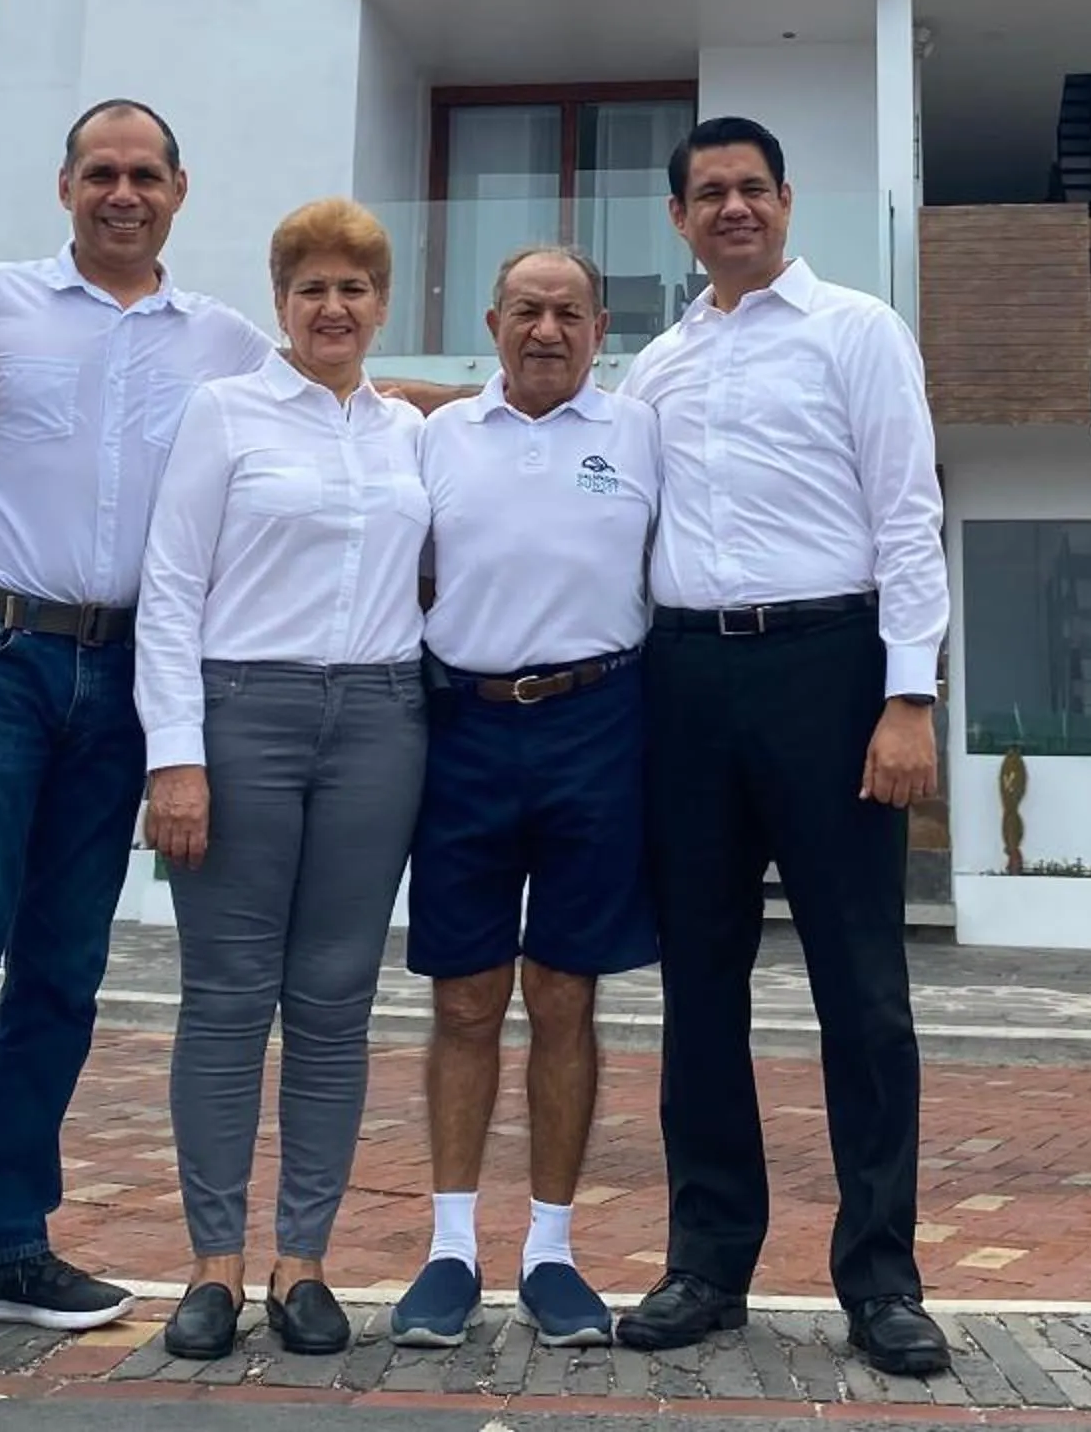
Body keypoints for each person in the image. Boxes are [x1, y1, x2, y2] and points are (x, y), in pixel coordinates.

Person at [0, 100, 273, 1363]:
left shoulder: (223, 341)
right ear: (64, 186)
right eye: (101, 171)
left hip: (127, 676)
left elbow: (338, 392)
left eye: (145, 173)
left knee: (62, 971)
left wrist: (515, 400)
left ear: (181, 191)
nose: (123, 191)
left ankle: (11, 1237)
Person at [613, 116, 953, 1380]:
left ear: (788, 201)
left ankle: (881, 1277)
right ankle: (707, 1261)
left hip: (833, 671)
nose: (734, 208)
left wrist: (908, 695)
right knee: (700, 989)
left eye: (753, 187)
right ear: (681, 218)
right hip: (687, 680)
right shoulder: (657, 366)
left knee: (862, 988)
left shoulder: (856, 330)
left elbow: (909, 515)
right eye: (710, 193)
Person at [135, 198, 431, 1362]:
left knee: (334, 1003)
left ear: (383, 305)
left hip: (379, 720)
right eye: (311, 286)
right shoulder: (225, 414)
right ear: (280, 303)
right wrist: (176, 756)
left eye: (354, 288)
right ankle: (212, 1263)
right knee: (224, 1000)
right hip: (241, 712)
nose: (333, 306)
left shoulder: (408, 432)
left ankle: (302, 1262)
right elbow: (169, 591)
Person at [389, 245, 662, 1351]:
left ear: (601, 329)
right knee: (463, 999)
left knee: (563, 995)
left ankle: (551, 1252)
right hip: (463, 724)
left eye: (568, 314)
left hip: (600, 724)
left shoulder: (644, 433)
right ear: (491, 322)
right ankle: (450, 1248)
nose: (545, 330)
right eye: (525, 312)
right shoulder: (434, 440)